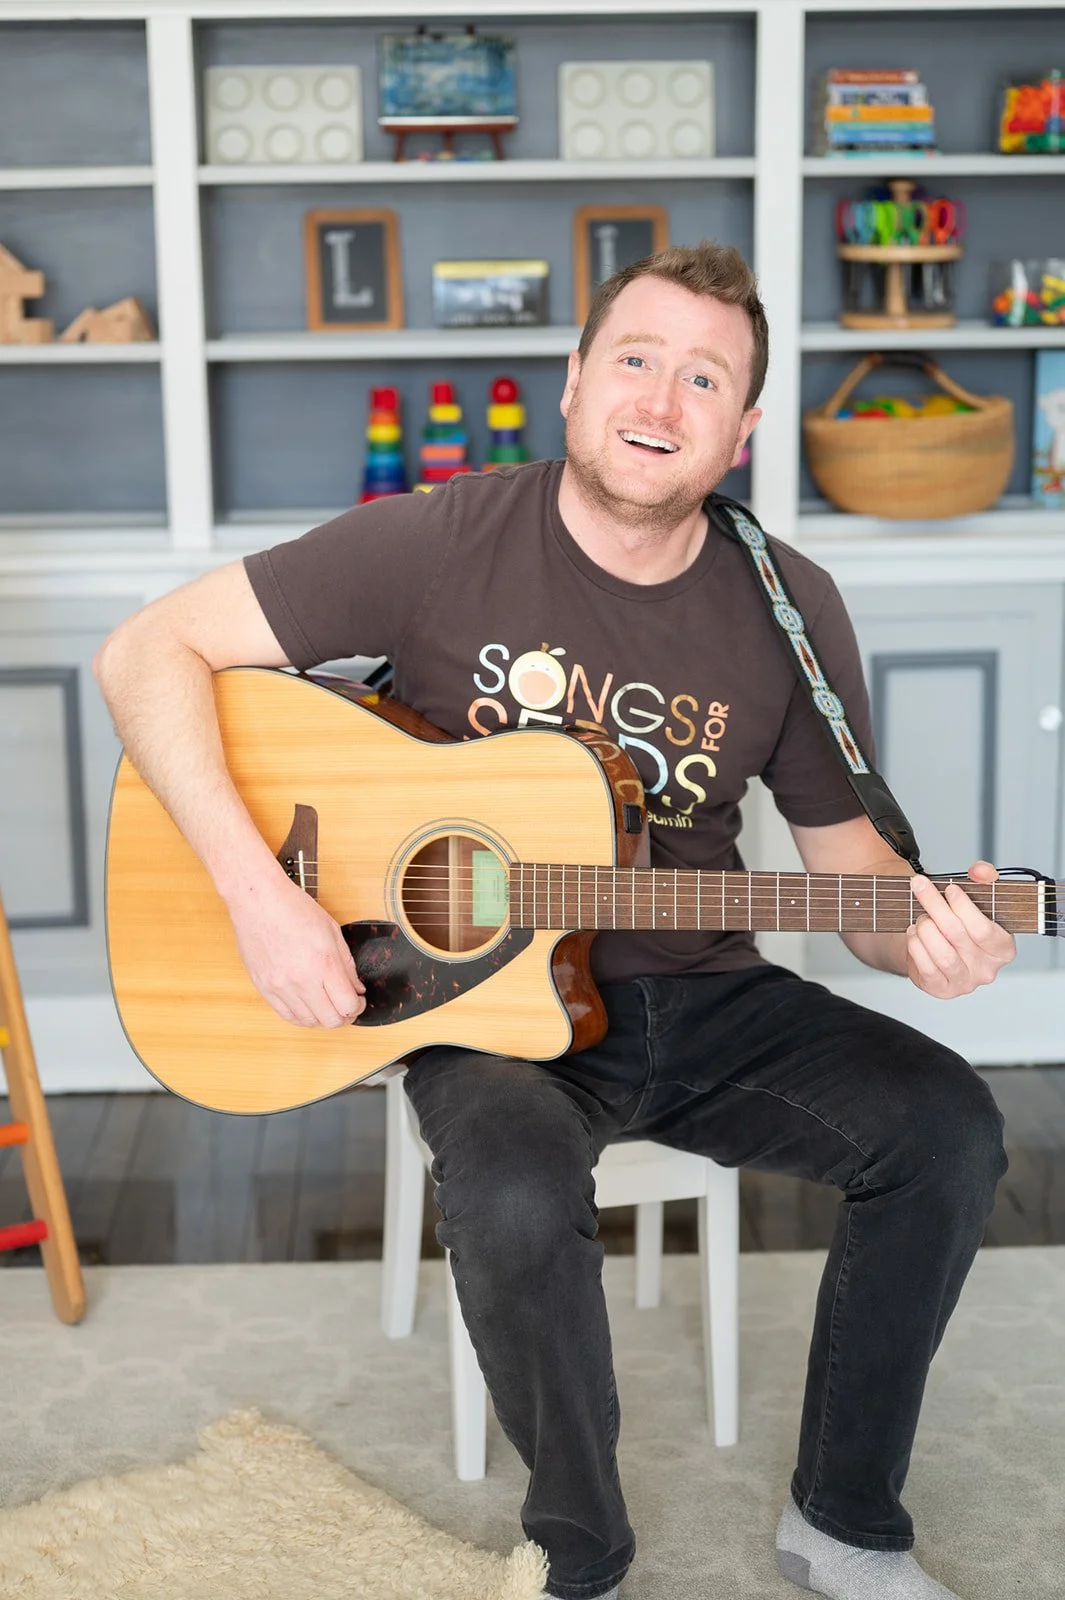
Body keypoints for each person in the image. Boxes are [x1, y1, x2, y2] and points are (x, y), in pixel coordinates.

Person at [93, 242, 1014, 1600]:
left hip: (704, 996)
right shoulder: (440, 537)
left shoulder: (790, 608)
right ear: (577, 384)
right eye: (636, 358)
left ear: (744, 429)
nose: (663, 396)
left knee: (950, 1126)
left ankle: (847, 1522)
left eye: (706, 377)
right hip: (486, 1015)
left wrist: (931, 934)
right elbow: (142, 653)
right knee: (515, 1187)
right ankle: (582, 1549)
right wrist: (260, 894)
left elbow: (860, 884)